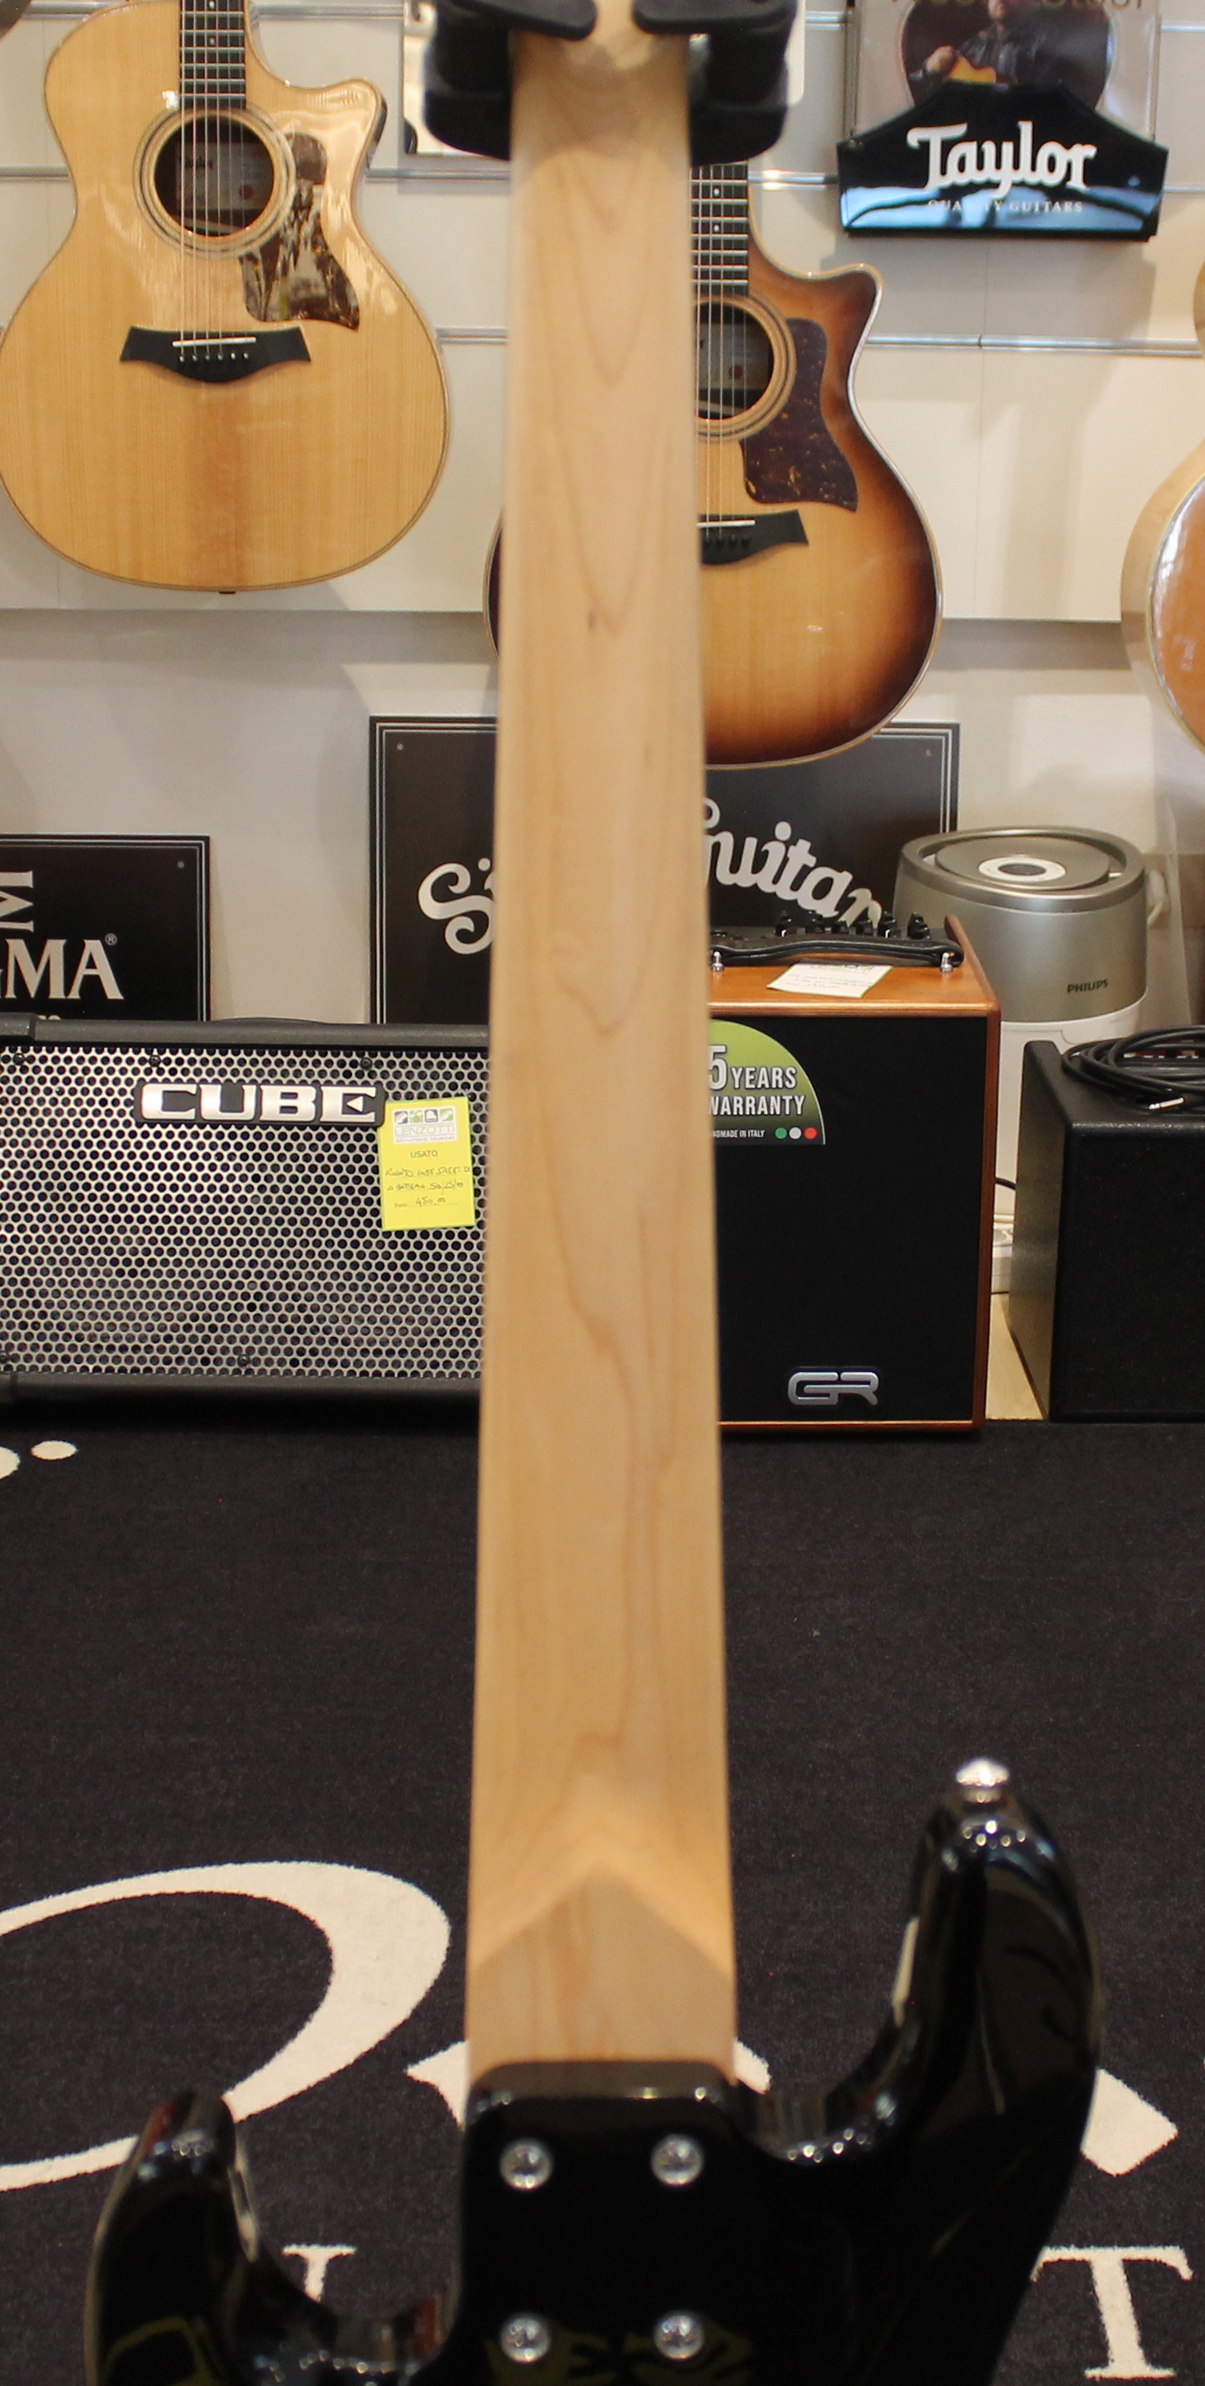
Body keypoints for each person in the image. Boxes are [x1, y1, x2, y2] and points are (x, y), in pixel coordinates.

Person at [912, 0, 1112, 111]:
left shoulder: (1050, 43)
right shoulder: (974, 44)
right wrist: (929, 69)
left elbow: (1051, 103)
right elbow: (935, 101)